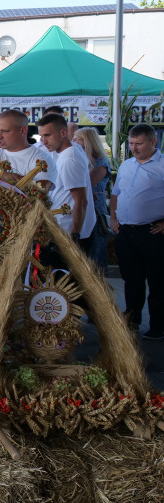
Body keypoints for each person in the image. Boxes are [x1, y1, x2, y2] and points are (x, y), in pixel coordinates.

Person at [110, 124, 164, 341]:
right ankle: (131, 320)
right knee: (131, 279)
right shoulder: (126, 165)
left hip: (152, 232)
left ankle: (158, 326)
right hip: (125, 232)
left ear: (153, 142)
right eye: (131, 143)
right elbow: (116, 194)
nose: (134, 148)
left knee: (158, 281)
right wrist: (113, 217)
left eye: (138, 143)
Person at [36, 113, 95, 258]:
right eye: (41, 136)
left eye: (48, 135)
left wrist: (74, 235)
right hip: (61, 230)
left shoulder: (70, 158)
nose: (44, 141)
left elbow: (81, 201)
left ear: (63, 132)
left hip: (68, 234)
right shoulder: (67, 152)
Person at [0, 109, 56, 192]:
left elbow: (41, 190)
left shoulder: (42, 159)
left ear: (22, 131)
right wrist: (2, 175)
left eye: (5, 131)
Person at [73, 127, 111, 272]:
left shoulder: (100, 162)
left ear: (86, 141)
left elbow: (86, 183)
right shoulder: (82, 159)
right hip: (83, 208)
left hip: (95, 211)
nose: (73, 142)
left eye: (77, 139)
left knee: (95, 250)